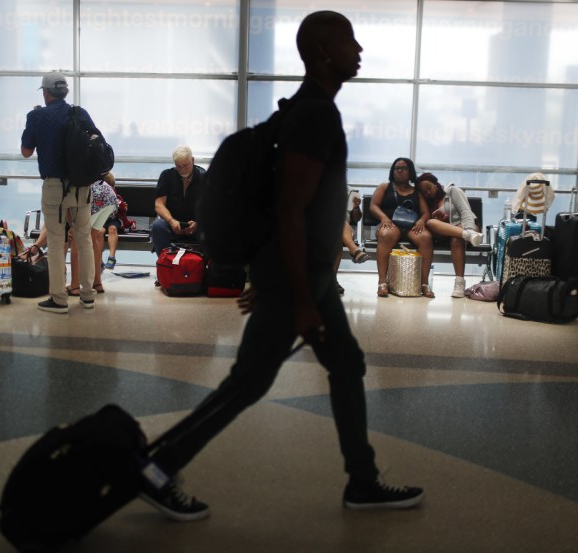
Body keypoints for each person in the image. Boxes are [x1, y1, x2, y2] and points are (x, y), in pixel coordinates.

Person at [138, 11, 424, 522]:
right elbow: (291, 207)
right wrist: (290, 291)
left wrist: (271, 277)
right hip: (300, 280)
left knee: (339, 366)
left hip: (300, 276)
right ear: (321, 51)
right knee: (249, 382)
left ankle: (362, 479)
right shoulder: (314, 115)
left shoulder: (300, 109)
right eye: (347, 41)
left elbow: (278, 207)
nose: (358, 50)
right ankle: (157, 469)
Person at [21, 71, 96, 313]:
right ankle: (87, 296)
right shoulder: (79, 113)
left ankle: (59, 299)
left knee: (55, 241)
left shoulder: (37, 116)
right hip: (83, 187)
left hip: (55, 187)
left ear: (45, 93)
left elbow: (26, 151)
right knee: (84, 239)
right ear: (65, 92)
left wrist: (33, 119)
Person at [369, 157, 435, 298]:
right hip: (390, 224)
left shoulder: (416, 192)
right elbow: (373, 206)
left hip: (411, 226)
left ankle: (424, 284)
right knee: (386, 235)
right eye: (396, 168)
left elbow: (425, 213)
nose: (399, 171)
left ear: (410, 171)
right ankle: (382, 282)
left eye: (403, 168)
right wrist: (383, 217)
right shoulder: (384, 187)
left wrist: (422, 221)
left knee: (426, 238)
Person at [416, 172, 484, 298]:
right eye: (424, 192)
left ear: (435, 184)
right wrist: (440, 218)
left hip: (466, 226)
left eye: (429, 188)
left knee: (456, 239)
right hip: (446, 234)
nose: (428, 193)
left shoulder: (452, 191)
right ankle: (467, 235)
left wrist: (470, 229)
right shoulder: (427, 204)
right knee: (431, 222)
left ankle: (459, 283)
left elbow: (465, 211)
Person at [150, 146, 204, 256]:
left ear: (193, 160)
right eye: (179, 166)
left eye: (186, 165)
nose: (183, 169)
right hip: (172, 224)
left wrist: (198, 223)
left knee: (211, 228)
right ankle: (167, 264)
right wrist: (172, 221)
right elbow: (159, 205)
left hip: (196, 225)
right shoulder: (166, 176)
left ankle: (203, 266)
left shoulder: (203, 176)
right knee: (157, 226)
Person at [334, 190, 369, 295]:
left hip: (340, 232)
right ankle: (355, 251)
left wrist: (356, 207)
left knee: (337, 235)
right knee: (337, 222)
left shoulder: (349, 191)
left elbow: (356, 218)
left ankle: (332, 279)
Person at [89, 173, 119, 293]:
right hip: (107, 206)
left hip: (103, 211)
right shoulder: (110, 191)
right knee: (94, 235)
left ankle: (77, 284)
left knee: (81, 240)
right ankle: (97, 282)